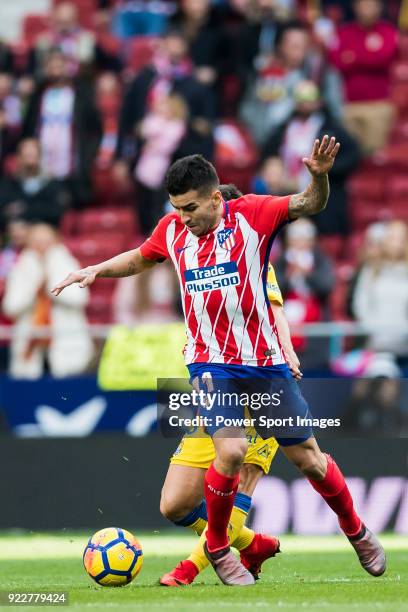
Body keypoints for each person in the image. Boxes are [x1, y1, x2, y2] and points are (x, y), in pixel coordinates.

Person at [52, 139, 386, 585]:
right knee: (230, 449)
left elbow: (310, 202)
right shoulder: (173, 230)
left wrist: (320, 176)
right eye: (176, 208)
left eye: (189, 208)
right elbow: (140, 257)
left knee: (310, 459)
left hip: (265, 363)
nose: (183, 218)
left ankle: (357, 531)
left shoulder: (253, 214)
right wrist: (96, 269)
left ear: (214, 197)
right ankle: (217, 547)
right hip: (210, 364)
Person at [159, 182, 301, 587]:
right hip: (214, 387)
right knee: (173, 505)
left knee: (240, 473)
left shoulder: (254, 257)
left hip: (260, 386)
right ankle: (251, 544)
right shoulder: (193, 254)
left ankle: (189, 569)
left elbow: (276, 312)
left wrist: (287, 351)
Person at [262, 80, 360, 235]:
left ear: (318, 101)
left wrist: (325, 171)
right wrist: (275, 169)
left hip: (322, 193)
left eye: (309, 100)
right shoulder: (284, 127)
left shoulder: (331, 128)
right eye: (301, 100)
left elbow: (353, 155)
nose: (304, 104)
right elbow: (267, 154)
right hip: (287, 190)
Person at [3, 223, 94, 378]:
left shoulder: (68, 265)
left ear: (56, 241)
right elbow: (10, 307)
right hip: (30, 344)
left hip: (66, 342)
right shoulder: (20, 268)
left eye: (46, 242)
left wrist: (51, 287)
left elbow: (80, 299)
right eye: (37, 242)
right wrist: (35, 288)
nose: (42, 247)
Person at [23, 49, 102, 205]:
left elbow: (95, 129)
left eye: (59, 65)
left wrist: (88, 155)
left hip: (73, 163)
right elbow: (28, 128)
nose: (56, 70)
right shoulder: (38, 95)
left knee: (71, 204)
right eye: (52, 66)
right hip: (43, 162)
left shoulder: (81, 95)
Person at [329, 0, 398, 154]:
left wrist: (353, 57)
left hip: (378, 106)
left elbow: (385, 58)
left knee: (374, 157)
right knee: (349, 156)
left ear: (379, 8)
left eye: (371, 4)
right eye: (363, 4)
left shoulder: (388, 31)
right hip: (349, 106)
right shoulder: (344, 32)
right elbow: (336, 61)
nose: (367, 9)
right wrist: (368, 56)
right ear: (355, 7)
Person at [0, 138, 70, 230]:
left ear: (40, 157)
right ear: (18, 158)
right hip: (14, 232)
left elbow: (57, 212)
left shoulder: (52, 183)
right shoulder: (8, 184)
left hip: (44, 232)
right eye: (26, 155)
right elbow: (3, 212)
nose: (30, 159)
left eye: (33, 155)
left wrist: (24, 210)